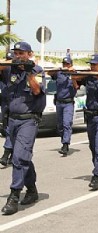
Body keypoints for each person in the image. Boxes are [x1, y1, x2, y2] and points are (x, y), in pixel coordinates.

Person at [0, 42, 46, 215]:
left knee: (19, 157)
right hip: (11, 120)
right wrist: (8, 62)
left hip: (28, 120)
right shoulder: (9, 70)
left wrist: (28, 72)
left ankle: (14, 196)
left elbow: (36, 91)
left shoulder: (37, 71)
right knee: (23, 156)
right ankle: (32, 189)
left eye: (21, 53)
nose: (18, 55)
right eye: (16, 53)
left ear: (30, 54)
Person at [71, 54, 98, 191]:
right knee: (92, 146)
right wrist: (74, 77)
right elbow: (76, 85)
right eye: (91, 64)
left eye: (94, 64)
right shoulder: (89, 77)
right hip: (90, 116)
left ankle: (96, 175)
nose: (92, 66)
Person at [47, 57, 79, 156]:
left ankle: (65, 144)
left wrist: (72, 75)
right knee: (60, 125)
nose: (66, 65)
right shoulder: (59, 73)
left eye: (67, 64)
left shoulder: (75, 73)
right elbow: (49, 73)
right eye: (64, 63)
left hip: (68, 102)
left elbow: (77, 86)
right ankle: (63, 139)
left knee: (67, 123)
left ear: (71, 64)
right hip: (59, 102)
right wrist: (59, 69)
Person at [0, 51, 14, 166]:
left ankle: (6, 153)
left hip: (15, 102)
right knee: (7, 128)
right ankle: (12, 153)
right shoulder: (4, 68)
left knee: (10, 129)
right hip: (5, 102)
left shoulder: (19, 69)